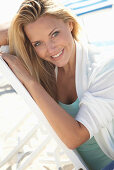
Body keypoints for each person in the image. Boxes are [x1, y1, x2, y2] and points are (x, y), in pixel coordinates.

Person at [0, 0, 114, 169]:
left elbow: (75, 137)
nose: (51, 49)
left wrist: (30, 82)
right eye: (38, 43)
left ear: (70, 24)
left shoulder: (105, 67)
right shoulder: (47, 70)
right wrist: (23, 22)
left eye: (54, 34)